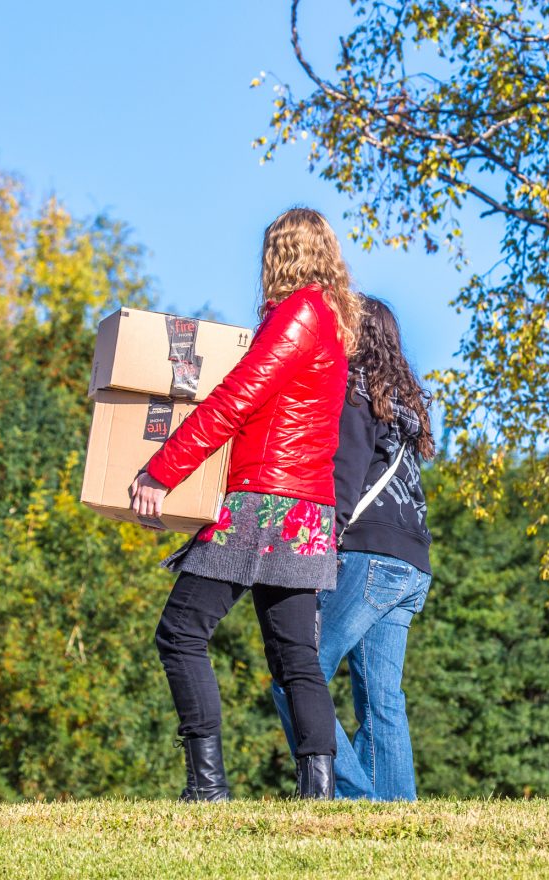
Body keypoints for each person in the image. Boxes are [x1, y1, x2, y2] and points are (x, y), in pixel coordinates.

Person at [129, 207, 363, 801]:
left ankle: (207, 787)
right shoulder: (331, 323)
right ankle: (318, 794)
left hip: (263, 503)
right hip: (306, 509)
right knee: (295, 655)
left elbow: (236, 399)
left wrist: (162, 471)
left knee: (180, 632)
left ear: (279, 255)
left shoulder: (299, 313)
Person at [272, 296, 435, 801]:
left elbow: (344, 479)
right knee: (382, 697)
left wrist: (321, 544)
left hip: (365, 557)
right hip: (412, 567)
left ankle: (355, 795)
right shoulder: (405, 405)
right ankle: (395, 813)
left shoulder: (354, 392)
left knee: (295, 672)